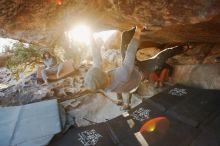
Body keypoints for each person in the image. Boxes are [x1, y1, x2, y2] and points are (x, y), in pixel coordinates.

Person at [84, 27, 142, 110]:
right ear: (103, 74)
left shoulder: (102, 86)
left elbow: (96, 56)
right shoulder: (122, 74)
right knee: (126, 87)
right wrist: (138, 31)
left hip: (120, 86)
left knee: (121, 88)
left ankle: (122, 102)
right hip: (135, 80)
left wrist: (90, 36)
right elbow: (130, 52)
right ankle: (126, 104)